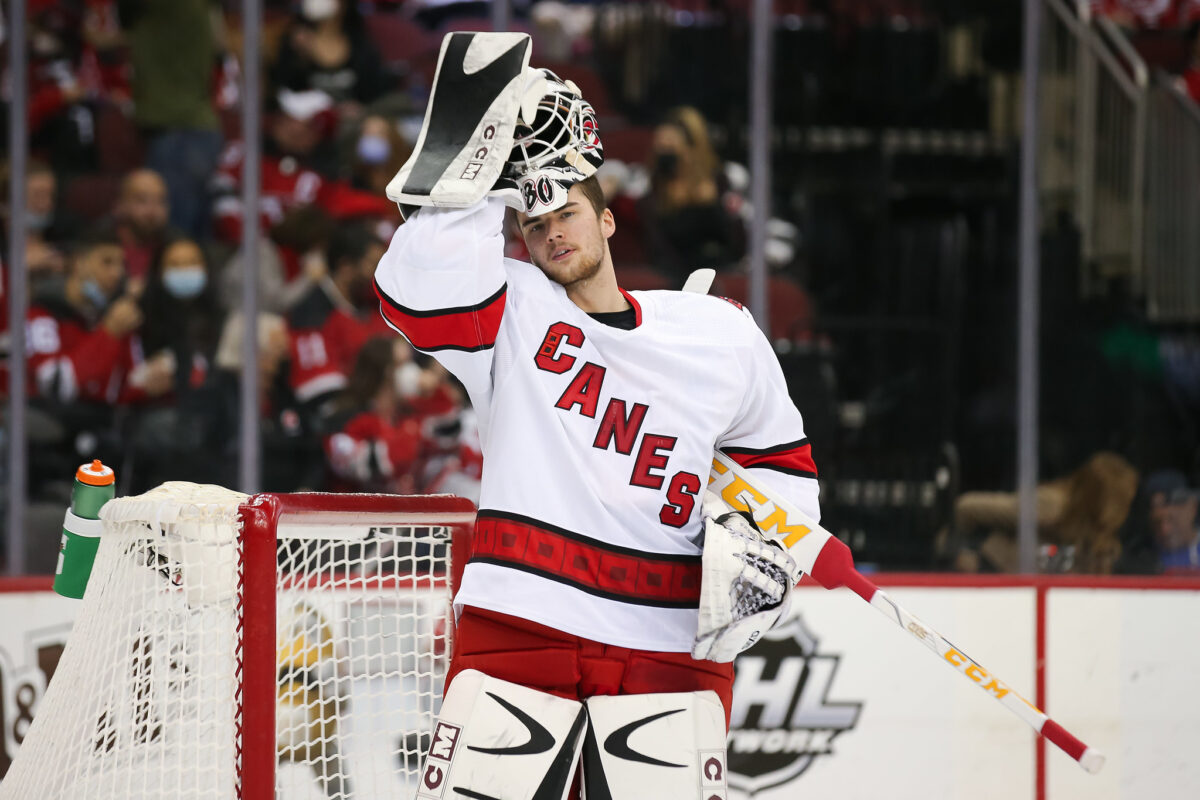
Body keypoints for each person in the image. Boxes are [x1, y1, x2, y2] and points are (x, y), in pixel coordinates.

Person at [374, 42, 817, 798]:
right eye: (533, 222)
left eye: (567, 212)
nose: (550, 232)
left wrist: (761, 548)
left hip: (670, 639)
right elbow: (416, 292)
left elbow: (785, 473)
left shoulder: (717, 333)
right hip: (522, 617)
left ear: (610, 222)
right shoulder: (508, 311)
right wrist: (478, 173)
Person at [1145, 470, 1200, 573]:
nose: (1165, 530)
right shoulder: (1143, 555)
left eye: (1173, 520)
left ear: (1192, 508)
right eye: (1157, 523)